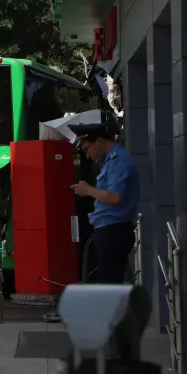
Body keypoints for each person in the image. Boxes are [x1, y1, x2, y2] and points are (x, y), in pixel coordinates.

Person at [69, 121, 140, 284]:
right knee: (107, 281)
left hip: (114, 230)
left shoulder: (119, 159)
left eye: (87, 148)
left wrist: (88, 190)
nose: (88, 155)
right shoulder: (111, 160)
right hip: (109, 229)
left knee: (110, 284)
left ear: (99, 141)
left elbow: (115, 197)